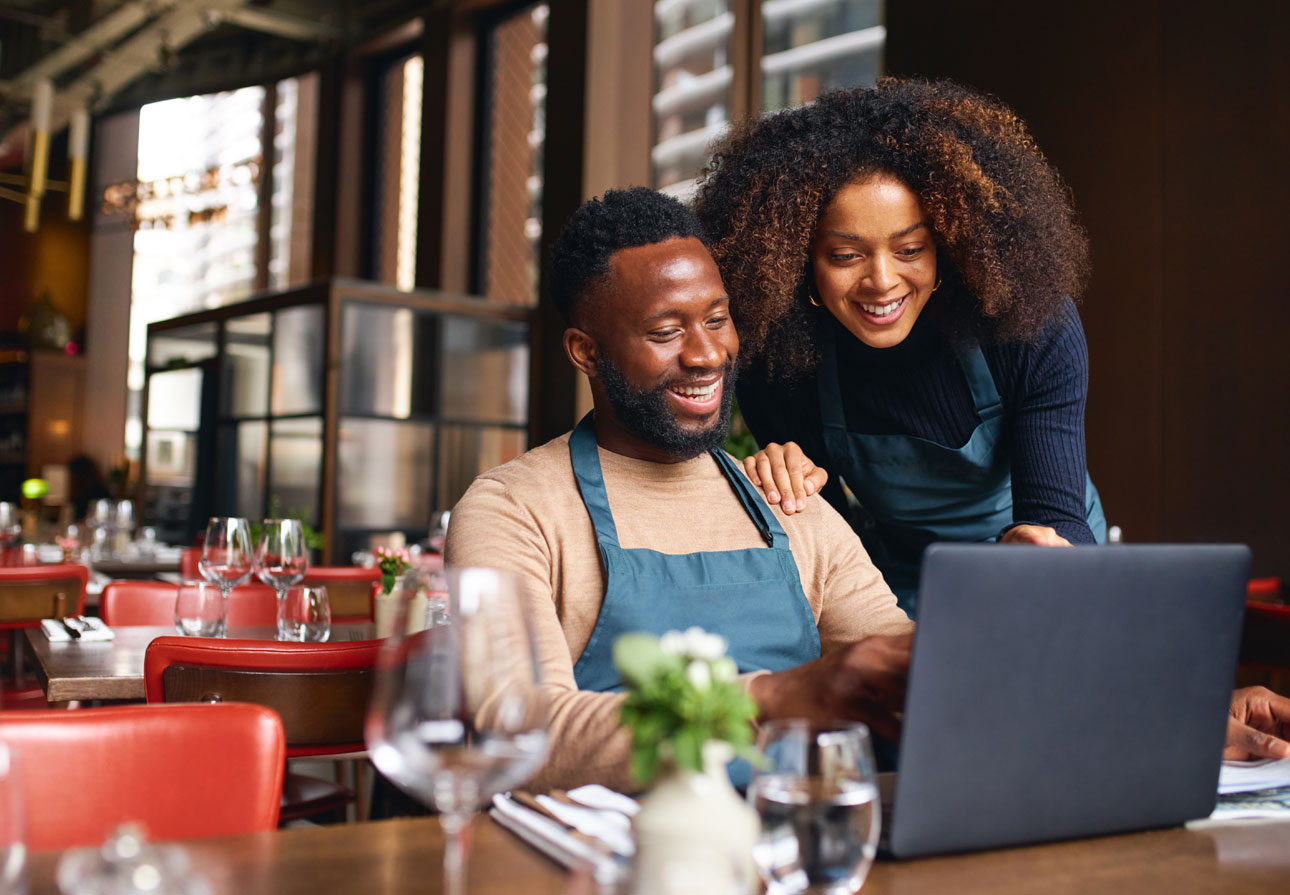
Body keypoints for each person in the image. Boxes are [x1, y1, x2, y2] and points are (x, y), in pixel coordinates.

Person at [446, 187, 1290, 794]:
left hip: (808, 851)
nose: (706, 355)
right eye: (666, 331)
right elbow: (519, 731)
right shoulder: (514, 507)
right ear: (585, 352)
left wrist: (1168, 716)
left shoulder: (789, 502)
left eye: (717, 317)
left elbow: (939, 682)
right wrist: (786, 695)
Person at [694, 79, 1104, 614]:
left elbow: (1057, 514)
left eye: (910, 248)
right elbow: (831, 548)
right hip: (901, 582)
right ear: (797, 264)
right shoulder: (779, 361)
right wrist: (786, 486)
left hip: (1042, 568)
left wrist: (1044, 550)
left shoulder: (1028, 326)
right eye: (845, 256)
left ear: (950, 245)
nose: (882, 282)